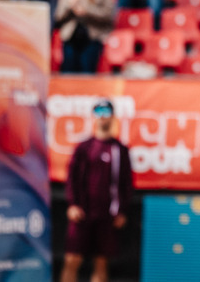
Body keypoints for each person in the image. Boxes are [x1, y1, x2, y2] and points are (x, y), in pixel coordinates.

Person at [61, 98, 134, 282]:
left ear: (113, 117)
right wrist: (73, 204)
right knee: (72, 259)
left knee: (101, 262)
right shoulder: (84, 148)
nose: (103, 117)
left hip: (107, 215)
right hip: (82, 213)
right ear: (94, 117)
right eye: (99, 112)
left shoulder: (120, 149)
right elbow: (72, 178)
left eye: (106, 112)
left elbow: (126, 182)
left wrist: (122, 211)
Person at [55, 0, 115, 74]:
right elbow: (57, 18)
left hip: (92, 38)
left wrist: (87, 11)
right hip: (70, 38)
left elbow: (109, 15)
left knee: (87, 73)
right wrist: (69, 8)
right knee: (68, 74)